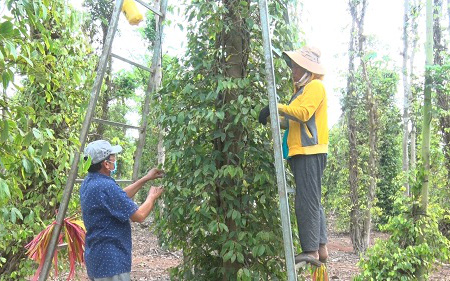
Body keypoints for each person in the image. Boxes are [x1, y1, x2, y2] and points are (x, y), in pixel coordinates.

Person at [259, 46, 329, 266]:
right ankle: (321, 248)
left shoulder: (316, 86)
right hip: (302, 151)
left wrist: (275, 106)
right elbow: (293, 121)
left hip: (310, 151)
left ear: (308, 69)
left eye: (297, 66)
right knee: (312, 199)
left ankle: (311, 250)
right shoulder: (301, 91)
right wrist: (274, 119)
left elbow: (303, 113)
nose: (293, 70)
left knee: (306, 201)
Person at [80, 140, 164, 281]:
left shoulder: (90, 182)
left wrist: (146, 179)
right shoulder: (106, 186)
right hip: (111, 261)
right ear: (106, 164)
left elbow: (119, 197)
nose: (115, 160)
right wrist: (152, 197)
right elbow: (139, 216)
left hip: (96, 257)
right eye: (113, 158)